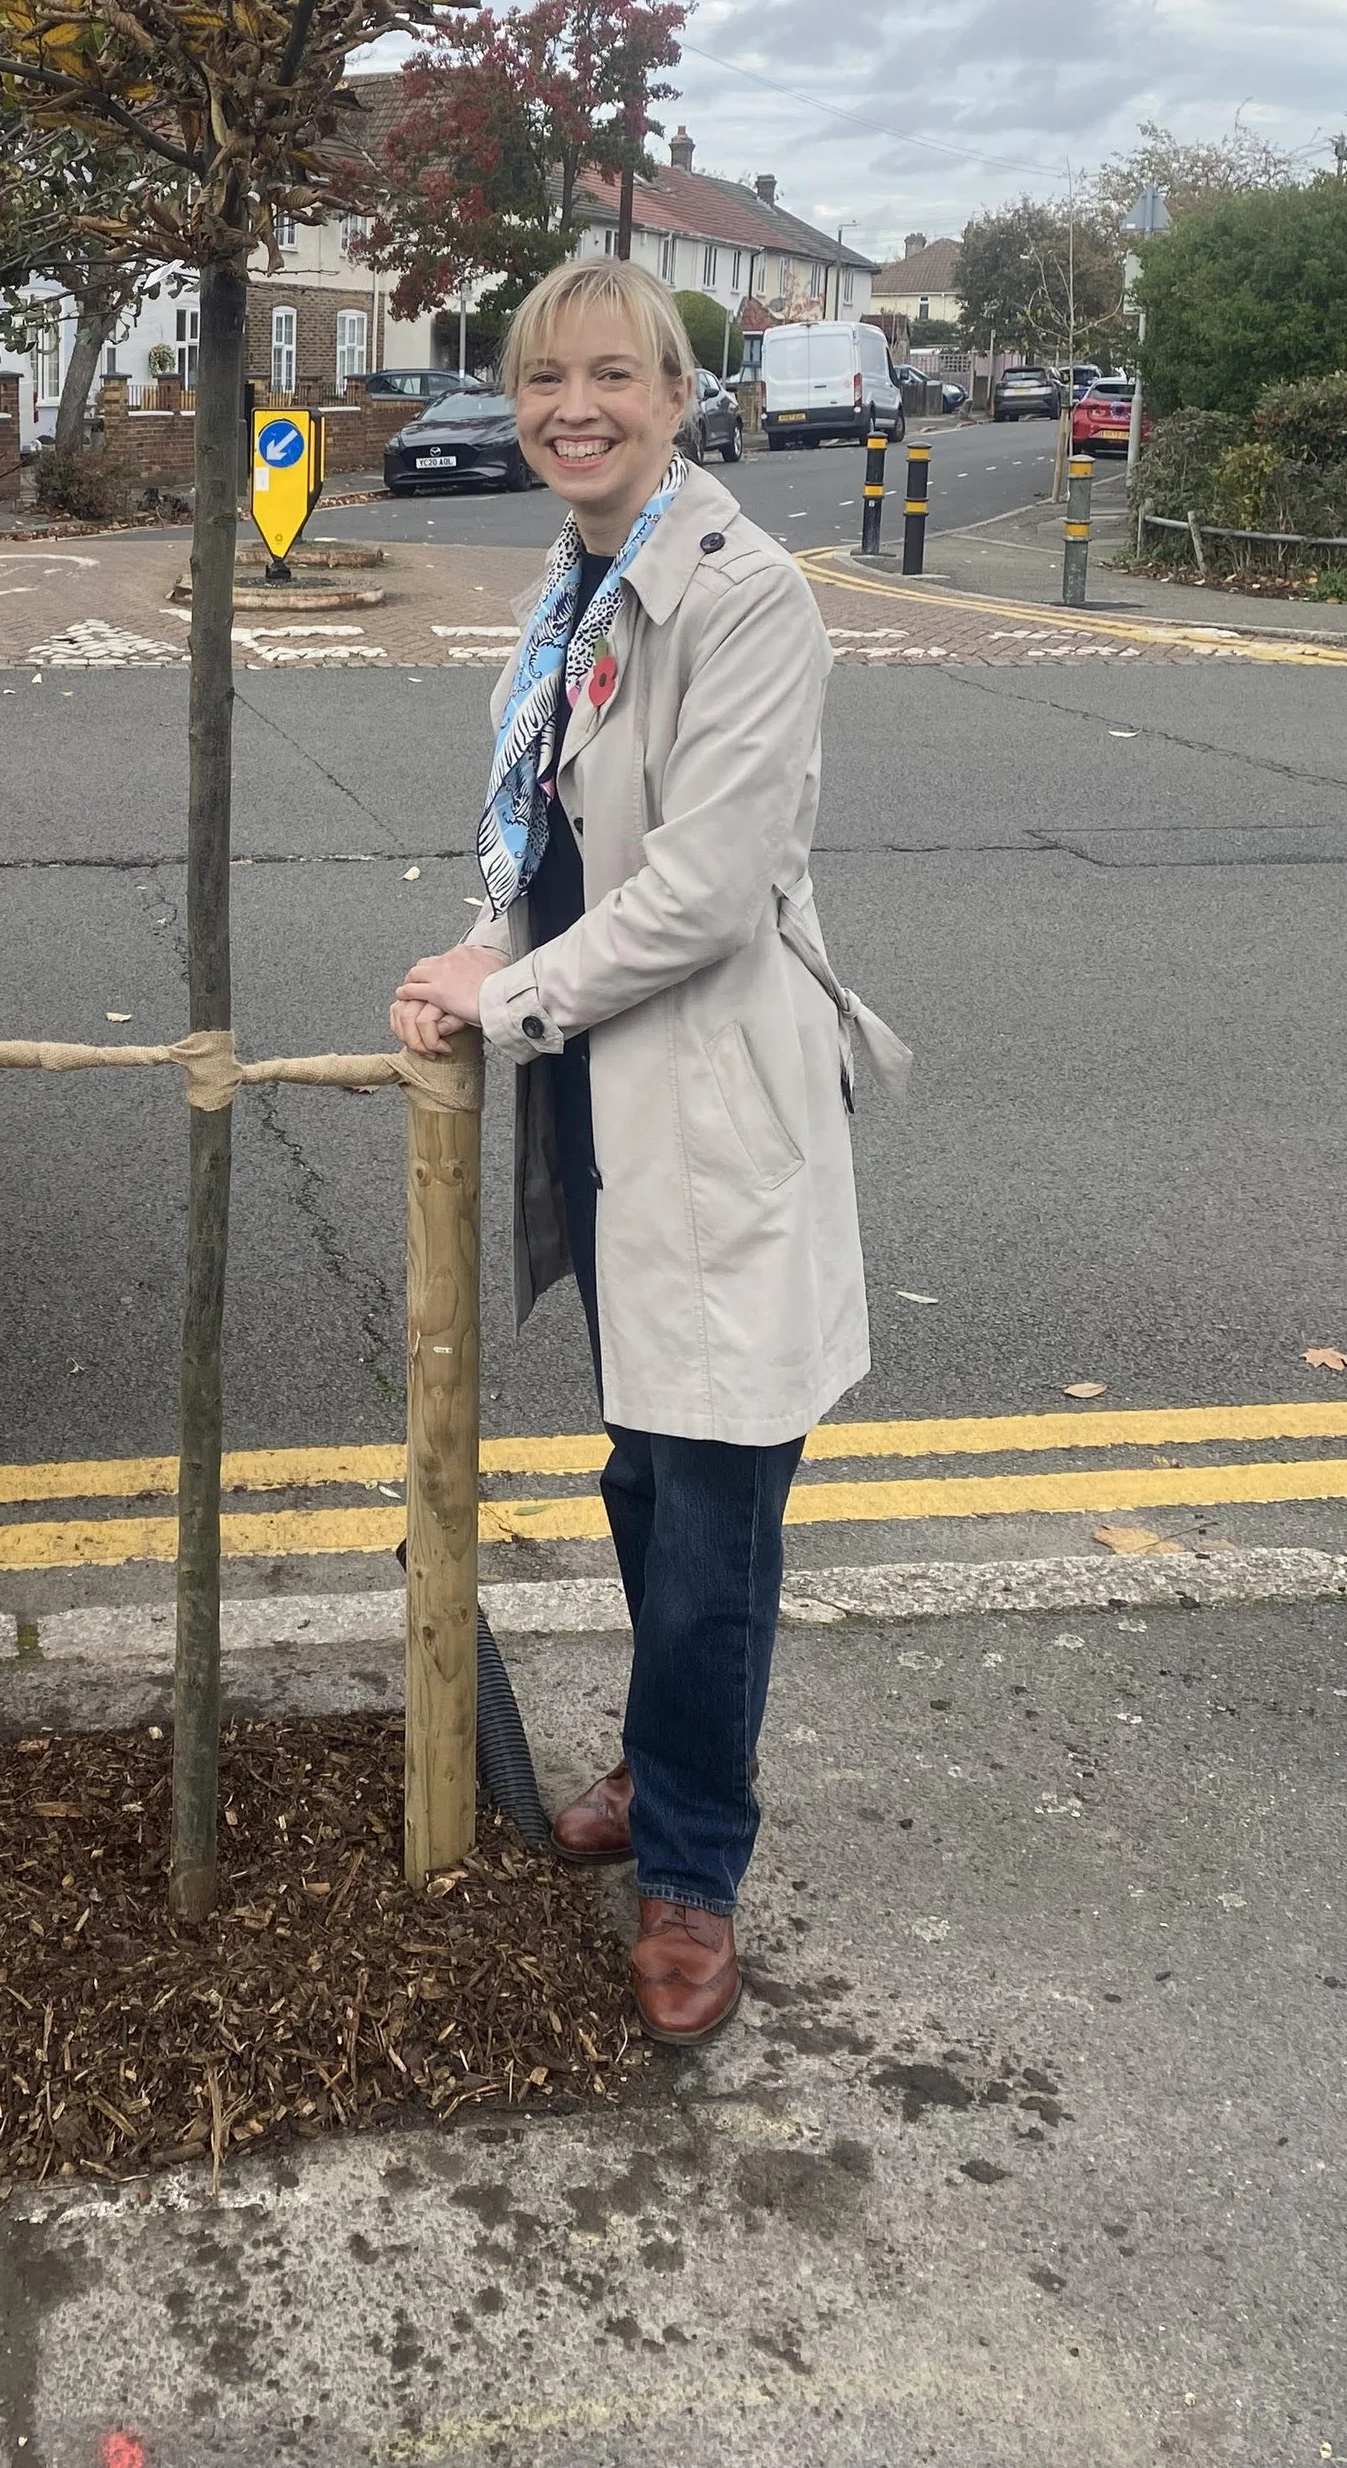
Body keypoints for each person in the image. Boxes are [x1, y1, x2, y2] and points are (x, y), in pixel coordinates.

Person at [390, 262, 902, 2046]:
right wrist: (480, 952)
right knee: (640, 1479)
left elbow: (698, 891)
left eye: (613, 376)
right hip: (604, 1103)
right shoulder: (579, 583)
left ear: (683, 397)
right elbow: (536, 829)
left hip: (703, 1105)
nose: (571, 406)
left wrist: (506, 990)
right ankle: (667, 1761)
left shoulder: (743, 599)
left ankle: (691, 1868)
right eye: (544, 378)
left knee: (713, 1520)